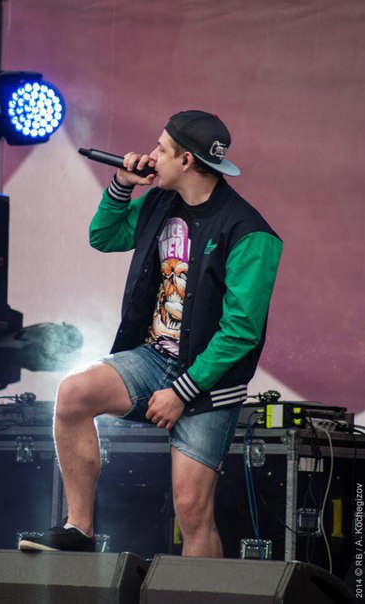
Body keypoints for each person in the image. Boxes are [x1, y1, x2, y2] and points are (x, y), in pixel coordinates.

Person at [19, 110, 283, 556]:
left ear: (186, 160)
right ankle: (78, 529)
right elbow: (103, 237)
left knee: (192, 511)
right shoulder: (160, 203)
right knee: (74, 392)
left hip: (209, 380)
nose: (151, 155)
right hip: (153, 358)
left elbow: (241, 332)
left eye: (161, 148)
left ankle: (199, 591)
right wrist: (121, 185)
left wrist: (181, 391)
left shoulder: (251, 233)